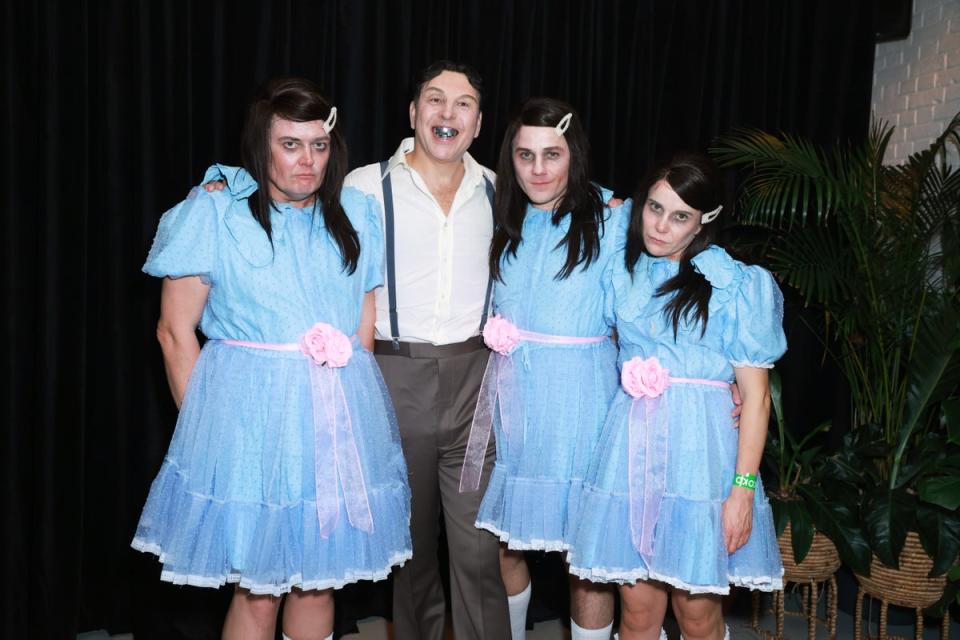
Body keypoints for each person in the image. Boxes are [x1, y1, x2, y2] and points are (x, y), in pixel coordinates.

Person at [131, 77, 412, 640]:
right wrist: (211, 435)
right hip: (248, 430)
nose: (308, 161)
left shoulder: (355, 214)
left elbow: (363, 322)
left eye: (319, 145)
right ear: (262, 145)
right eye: (290, 144)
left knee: (319, 580)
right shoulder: (215, 213)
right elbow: (173, 331)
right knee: (258, 588)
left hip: (331, 427)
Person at [566, 153, 786, 640]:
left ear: (704, 220)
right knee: (638, 616)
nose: (661, 226)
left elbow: (757, 398)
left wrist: (742, 493)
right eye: (654, 208)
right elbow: (581, 193)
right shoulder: (622, 273)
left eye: (680, 215)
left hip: (702, 467)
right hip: (630, 460)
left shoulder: (733, 284)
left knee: (697, 616)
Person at [343, 60, 511, 640]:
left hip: (475, 384)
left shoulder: (499, 188)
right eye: (434, 100)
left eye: (462, 103)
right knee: (410, 553)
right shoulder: (363, 186)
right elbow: (292, 209)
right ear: (413, 112)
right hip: (395, 377)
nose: (447, 113)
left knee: (477, 549)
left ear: (479, 122)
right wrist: (227, 185)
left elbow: (574, 201)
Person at [462, 97, 621, 640]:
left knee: (584, 559)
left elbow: (654, 308)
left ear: (573, 156)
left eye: (551, 155)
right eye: (525, 155)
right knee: (504, 541)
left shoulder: (613, 220)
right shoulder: (502, 218)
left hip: (585, 405)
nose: (537, 169)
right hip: (515, 405)